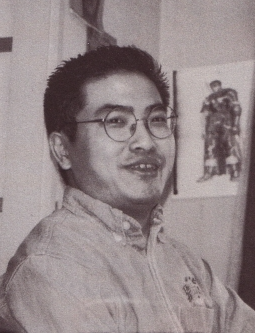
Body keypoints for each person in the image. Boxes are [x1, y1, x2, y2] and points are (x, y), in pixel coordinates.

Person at [0, 45, 254, 333]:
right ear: (63, 150)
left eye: (157, 119)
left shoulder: (184, 261)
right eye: (117, 122)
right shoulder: (52, 267)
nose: (145, 142)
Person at [198, 80, 242, 182]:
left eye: (216, 85)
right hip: (212, 124)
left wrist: (235, 124)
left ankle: (234, 171)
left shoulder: (230, 93)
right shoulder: (209, 98)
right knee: (210, 147)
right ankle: (209, 172)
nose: (215, 87)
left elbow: (236, 109)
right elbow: (205, 113)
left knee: (230, 145)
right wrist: (203, 129)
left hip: (226, 121)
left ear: (220, 84)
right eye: (212, 86)